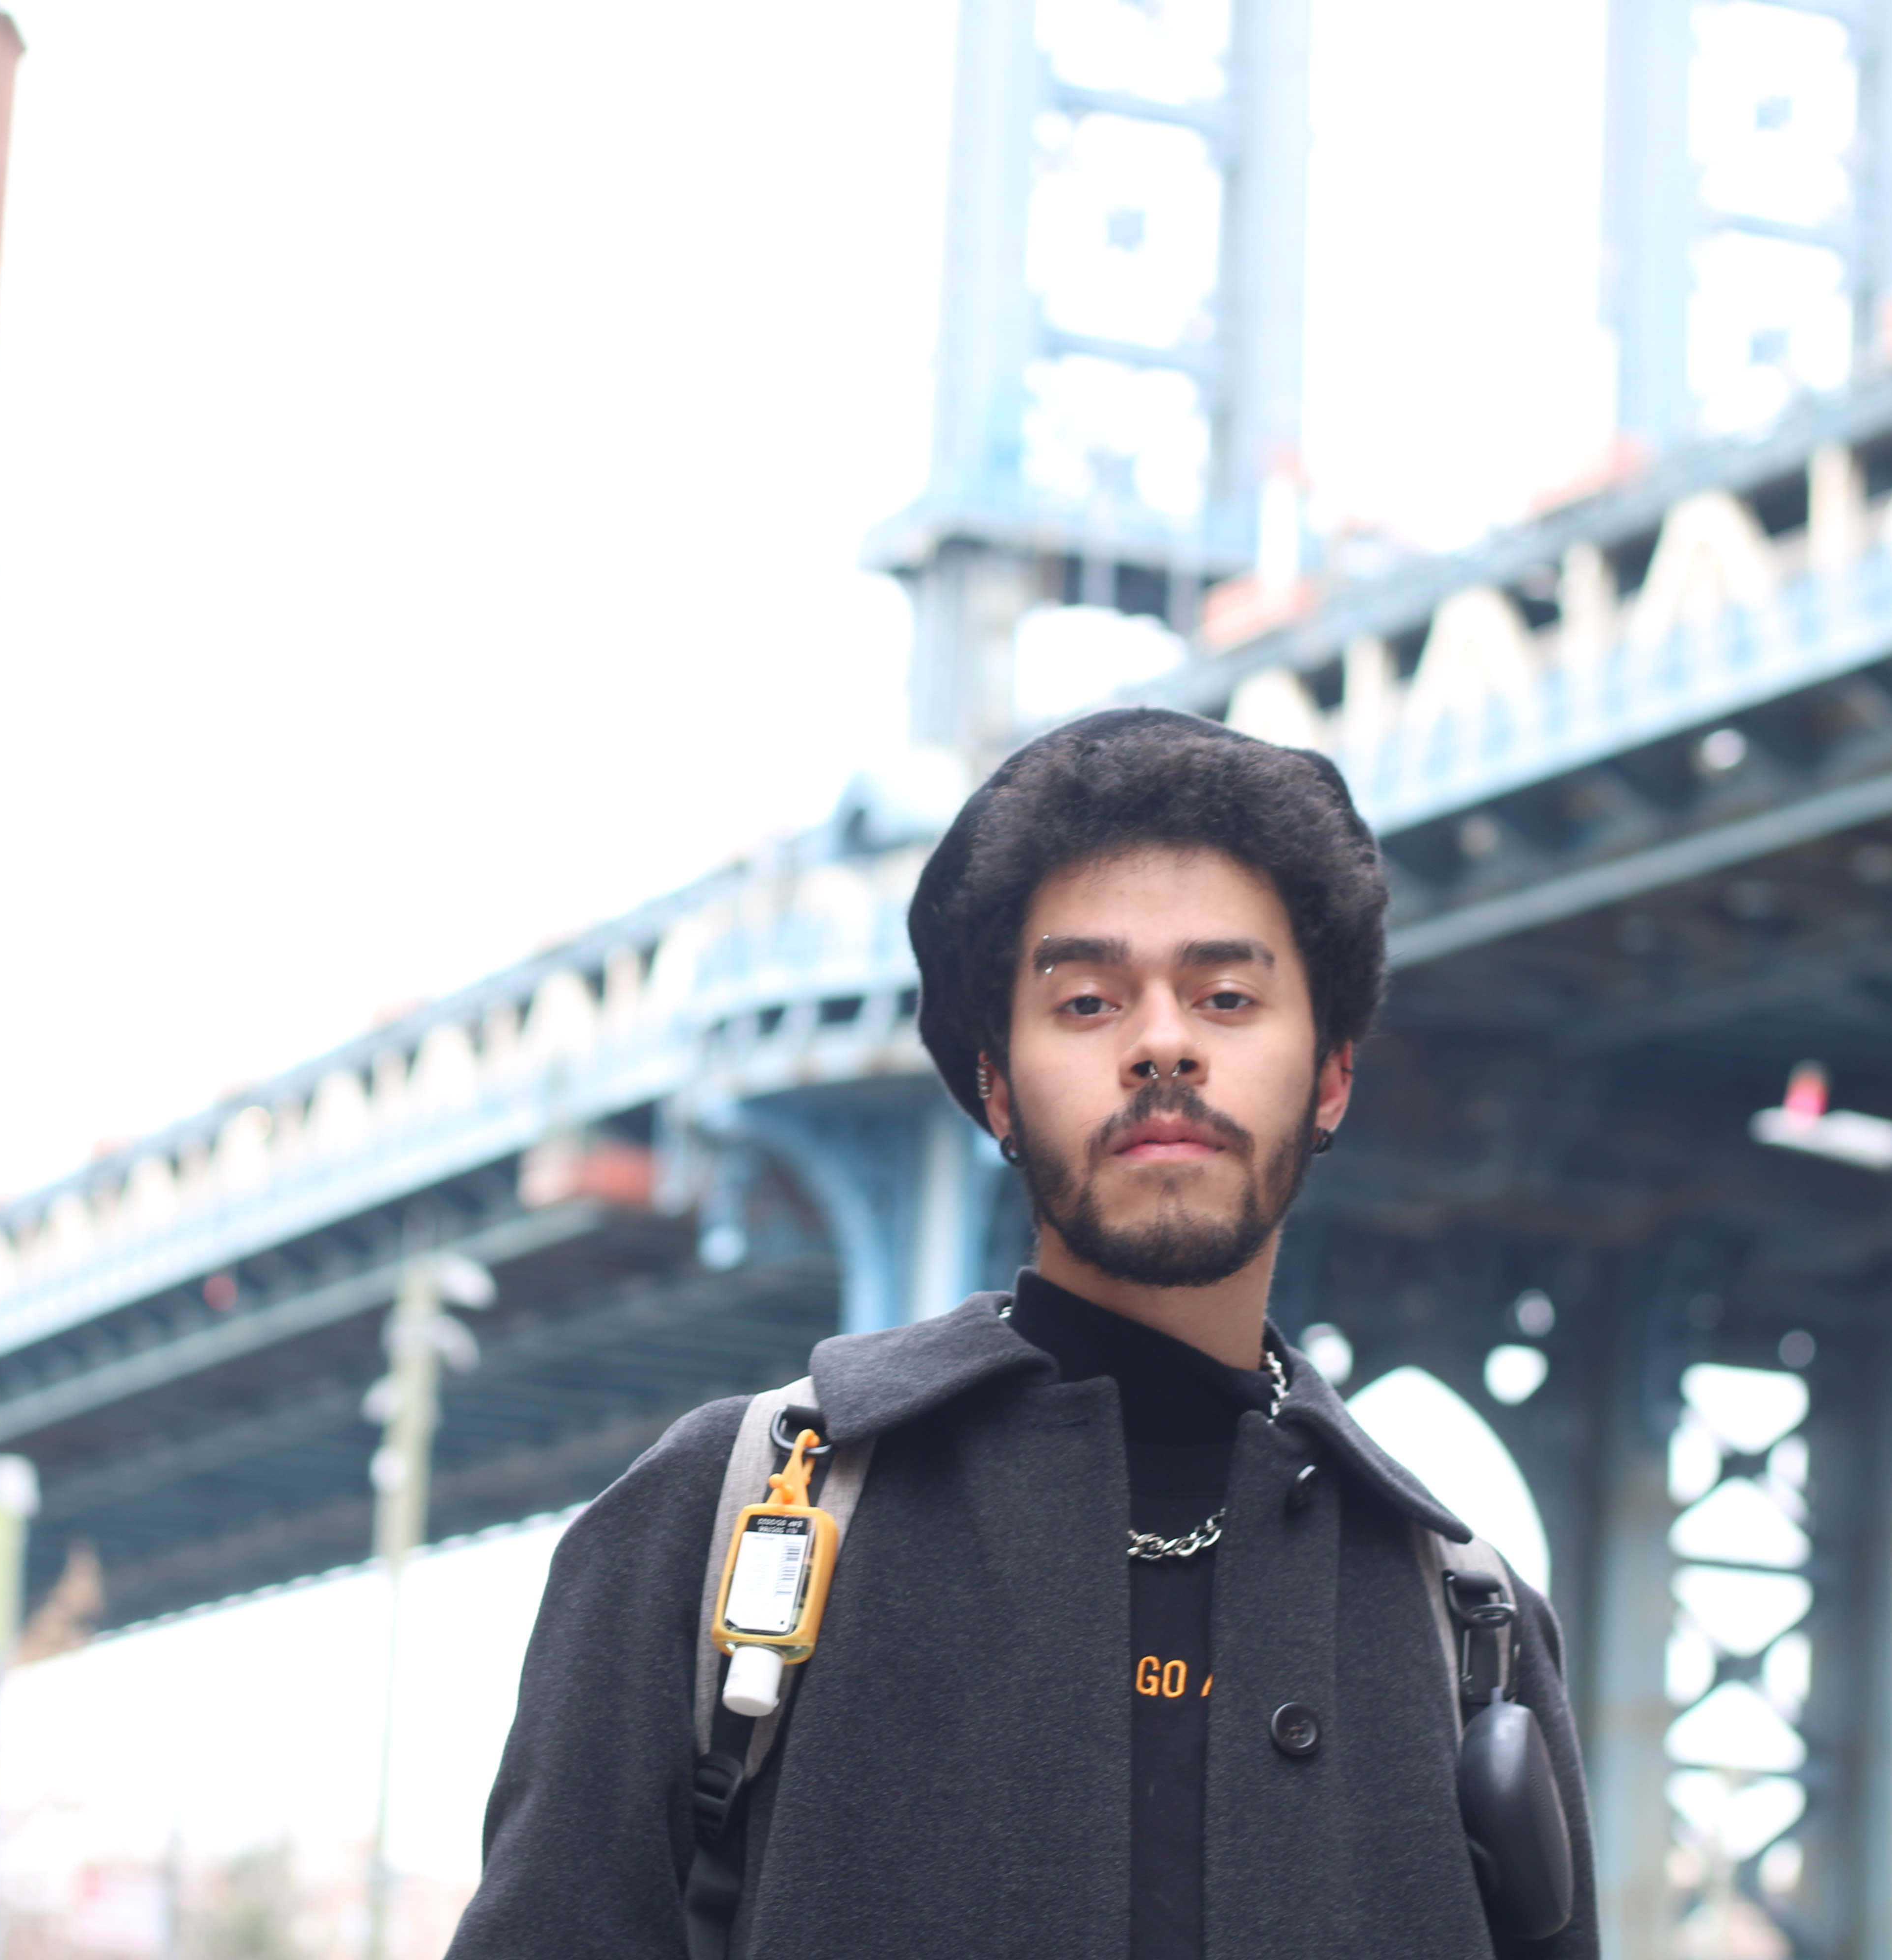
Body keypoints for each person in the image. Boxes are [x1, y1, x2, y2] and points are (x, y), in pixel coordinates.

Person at [446, 709, 1597, 1960]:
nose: (1163, 1042)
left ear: (1330, 1077)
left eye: (1225, 995)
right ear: (997, 1083)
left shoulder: (1473, 1625)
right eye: (1089, 1000)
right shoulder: (717, 1516)